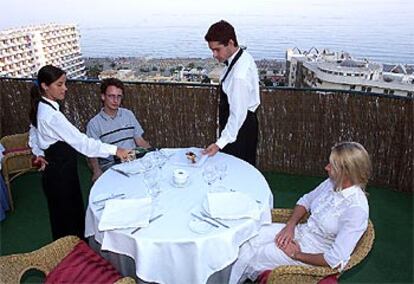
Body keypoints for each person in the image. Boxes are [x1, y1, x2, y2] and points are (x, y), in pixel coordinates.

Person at [229, 141, 372, 283]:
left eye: (332, 166)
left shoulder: (356, 210)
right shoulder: (332, 183)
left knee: (255, 254)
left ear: (346, 173)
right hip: (299, 231)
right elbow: (306, 200)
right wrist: (290, 226)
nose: (326, 168)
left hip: (312, 253)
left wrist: (296, 254)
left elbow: (335, 258)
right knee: (248, 236)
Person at [29, 65, 131, 240]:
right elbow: (83, 144)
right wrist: (116, 150)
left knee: (63, 217)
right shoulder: (52, 116)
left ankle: (69, 255)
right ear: (45, 86)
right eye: (59, 84)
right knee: (69, 220)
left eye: (65, 83)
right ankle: (75, 259)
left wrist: (38, 151)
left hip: (57, 171)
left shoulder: (42, 106)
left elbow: (33, 130)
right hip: (61, 175)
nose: (65, 88)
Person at [202, 20, 260, 166]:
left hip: (240, 130)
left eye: (217, 49)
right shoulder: (243, 56)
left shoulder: (239, 75)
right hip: (241, 125)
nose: (214, 54)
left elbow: (238, 114)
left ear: (230, 42)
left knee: (237, 168)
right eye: (212, 50)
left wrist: (219, 144)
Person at [86, 78, 151, 182]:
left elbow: (140, 141)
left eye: (119, 96)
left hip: (134, 162)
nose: (115, 100)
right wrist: (96, 171)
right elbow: (92, 152)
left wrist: (153, 154)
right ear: (103, 97)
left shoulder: (128, 114)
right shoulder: (94, 124)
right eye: (111, 96)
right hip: (111, 168)